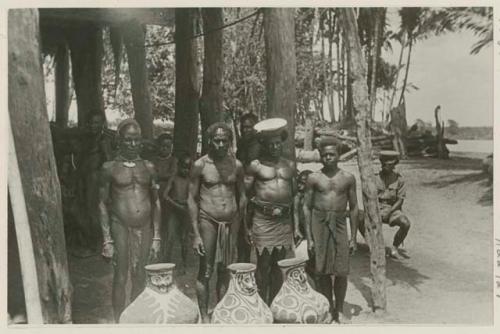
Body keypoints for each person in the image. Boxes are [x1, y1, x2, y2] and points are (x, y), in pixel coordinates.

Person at [98, 119, 161, 322]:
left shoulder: (149, 167)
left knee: (141, 275)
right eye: (128, 140)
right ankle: (119, 322)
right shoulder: (109, 168)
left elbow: (157, 202)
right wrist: (107, 238)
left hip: (144, 226)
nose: (133, 144)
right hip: (120, 225)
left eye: (136, 140)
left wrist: (157, 236)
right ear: (119, 140)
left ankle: (135, 320)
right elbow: (101, 203)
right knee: (121, 275)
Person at [188, 122, 246, 323]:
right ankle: (204, 316)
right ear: (210, 141)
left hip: (231, 222)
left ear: (230, 142)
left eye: (225, 141)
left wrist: (241, 226)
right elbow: (191, 199)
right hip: (208, 221)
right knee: (206, 269)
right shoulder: (200, 165)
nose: (221, 144)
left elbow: (242, 197)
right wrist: (196, 234)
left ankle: (220, 313)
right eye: (217, 140)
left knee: (226, 268)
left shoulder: (236, 165)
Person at [303, 137, 359, 323]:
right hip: (320, 224)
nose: (328, 158)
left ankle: (340, 310)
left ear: (339, 155)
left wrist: (353, 238)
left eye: (332, 154)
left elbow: (353, 208)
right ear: (320, 157)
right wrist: (310, 238)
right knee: (322, 270)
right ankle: (327, 309)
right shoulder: (314, 178)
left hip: (340, 224)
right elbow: (306, 207)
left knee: (341, 271)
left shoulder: (348, 178)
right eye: (325, 155)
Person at [245, 118, 298, 305]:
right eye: (271, 144)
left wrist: (296, 226)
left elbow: (296, 197)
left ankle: (274, 304)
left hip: (284, 221)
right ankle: (262, 305)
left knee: (279, 266)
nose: (275, 147)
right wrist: (247, 226)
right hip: (263, 220)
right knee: (263, 266)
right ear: (264, 145)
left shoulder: (289, 165)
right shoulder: (255, 166)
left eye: (278, 143)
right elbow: (245, 197)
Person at [359, 150, 411, 259]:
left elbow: (400, 200)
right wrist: (373, 210)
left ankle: (394, 248)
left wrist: (390, 212)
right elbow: (367, 196)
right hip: (375, 206)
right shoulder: (374, 178)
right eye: (383, 163)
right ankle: (371, 245)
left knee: (405, 223)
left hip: (392, 209)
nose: (385, 166)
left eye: (389, 164)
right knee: (358, 217)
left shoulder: (399, 179)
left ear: (394, 165)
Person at [235, 113, 260, 262]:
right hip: (243, 191)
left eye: (249, 127)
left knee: (254, 233)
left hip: (256, 193)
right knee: (242, 233)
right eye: (243, 127)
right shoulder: (242, 145)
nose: (246, 130)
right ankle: (243, 266)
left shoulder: (259, 145)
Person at [161, 154, 192, 272]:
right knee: (170, 237)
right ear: (178, 166)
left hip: (185, 212)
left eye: (188, 168)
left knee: (184, 239)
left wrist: (187, 205)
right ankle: (165, 264)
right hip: (175, 211)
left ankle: (184, 264)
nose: (186, 170)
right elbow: (165, 195)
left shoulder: (190, 180)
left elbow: (193, 197)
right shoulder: (174, 178)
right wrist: (177, 205)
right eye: (184, 167)